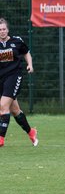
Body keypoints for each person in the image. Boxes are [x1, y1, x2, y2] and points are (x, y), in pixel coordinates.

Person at [0, 17, 38, 147]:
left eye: (4, 29)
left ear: (8, 30)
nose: (2, 31)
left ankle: (1, 138)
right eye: (0, 30)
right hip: (1, 79)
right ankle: (31, 131)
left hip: (14, 76)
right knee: (15, 110)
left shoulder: (17, 41)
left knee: (3, 106)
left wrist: (30, 65)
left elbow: (26, 52)